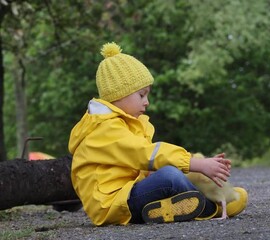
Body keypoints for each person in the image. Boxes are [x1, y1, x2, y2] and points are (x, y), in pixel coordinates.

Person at [68, 42, 248, 226]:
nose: (147, 102)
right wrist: (195, 164)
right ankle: (213, 208)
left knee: (173, 172)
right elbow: (146, 154)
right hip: (112, 205)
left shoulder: (127, 125)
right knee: (170, 176)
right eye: (141, 95)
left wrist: (195, 165)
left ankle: (164, 209)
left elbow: (142, 167)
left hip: (128, 197)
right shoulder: (104, 129)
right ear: (119, 96)